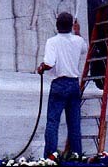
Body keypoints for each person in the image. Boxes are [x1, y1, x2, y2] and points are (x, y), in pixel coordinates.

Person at [37, 12, 87, 158]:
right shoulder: (78, 40)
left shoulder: (52, 41)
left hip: (59, 84)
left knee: (53, 122)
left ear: (57, 25)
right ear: (71, 25)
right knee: (74, 124)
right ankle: (77, 156)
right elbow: (84, 49)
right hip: (73, 84)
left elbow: (49, 63)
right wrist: (78, 31)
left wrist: (41, 68)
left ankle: (50, 158)